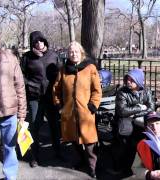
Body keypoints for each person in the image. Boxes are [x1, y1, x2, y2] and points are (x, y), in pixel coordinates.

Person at [53, 41, 102, 178]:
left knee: (89, 142)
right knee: (73, 138)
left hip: (86, 112)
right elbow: (56, 89)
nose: (73, 54)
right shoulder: (63, 69)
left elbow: (97, 90)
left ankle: (93, 167)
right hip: (69, 112)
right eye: (70, 52)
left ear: (81, 52)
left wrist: (93, 105)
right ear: (67, 54)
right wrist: (58, 105)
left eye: (75, 51)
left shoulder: (90, 68)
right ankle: (81, 160)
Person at [0, 23, 27, 180]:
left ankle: (10, 176)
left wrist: (22, 115)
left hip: (10, 112)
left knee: (10, 147)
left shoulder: (10, 57)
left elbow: (20, 86)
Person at [20, 31, 63, 167]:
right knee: (35, 125)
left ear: (45, 41)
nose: (39, 44)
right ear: (32, 44)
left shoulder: (53, 56)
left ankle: (58, 152)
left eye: (41, 41)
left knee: (55, 125)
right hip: (35, 98)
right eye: (35, 42)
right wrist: (30, 85)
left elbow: (61, 75)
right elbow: (21, 76)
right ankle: (35, 156)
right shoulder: (27, 57)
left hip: (51, 97)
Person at [114, 68, 155, 178]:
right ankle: (122, 168)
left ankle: (143, 166)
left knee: (146, 139)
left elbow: (151, 108)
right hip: (125, 122)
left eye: (132, 79)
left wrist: (135, 113)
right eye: (127, 78)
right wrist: (139, 107)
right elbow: (122, 111)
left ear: (138, 80)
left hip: (139, 121)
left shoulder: (146, 91)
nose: (128, 81)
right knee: (126, 142)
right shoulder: (122, 92)